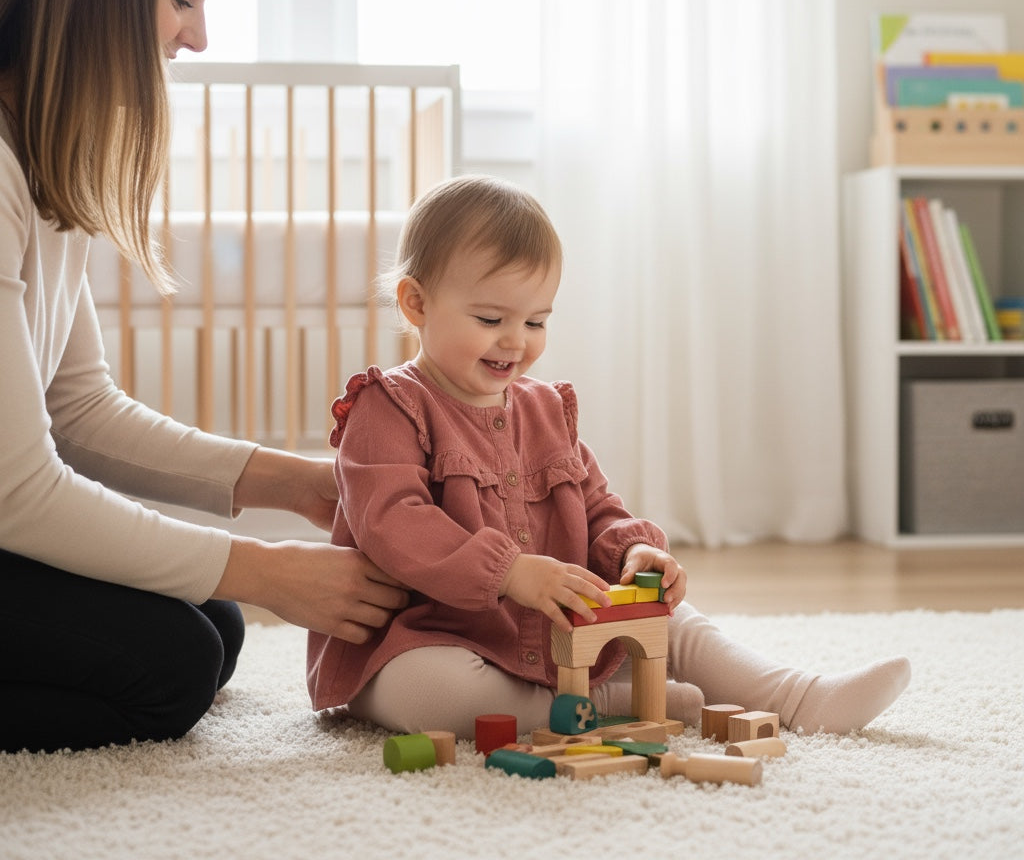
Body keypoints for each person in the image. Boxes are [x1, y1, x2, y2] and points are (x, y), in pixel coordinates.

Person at [0, 0, 407, 754]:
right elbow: (18, 491)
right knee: (170, 668)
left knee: (213, 626)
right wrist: (271, 569)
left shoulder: (43, 152)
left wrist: (298, 485)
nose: (197, 36)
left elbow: (77, 409)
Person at [307, 175, 911, 741]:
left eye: (537, 320)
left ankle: (801, 697)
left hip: (550, 630)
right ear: (416, 303)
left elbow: (596, 506)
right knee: (424, 692)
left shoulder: (546, 408)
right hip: (424, 638)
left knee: (675, 621)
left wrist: (632, 551)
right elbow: (394, 523)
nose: (516, 340)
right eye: (491, 319)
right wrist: (509, 572)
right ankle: (606, 707)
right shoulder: (388, 407)